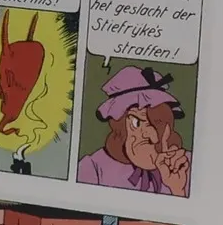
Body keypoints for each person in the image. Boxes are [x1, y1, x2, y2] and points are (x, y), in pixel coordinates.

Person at [78, 66, 193, 195]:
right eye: (137, 123)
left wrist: (177, 189)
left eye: (158, 123)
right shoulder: (93, 168)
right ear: (120, 126)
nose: (152, 136)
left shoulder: (185, 164)